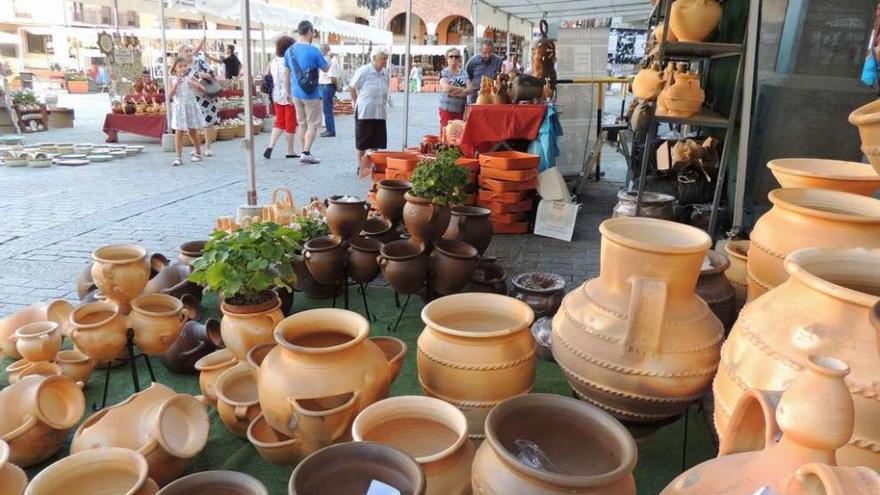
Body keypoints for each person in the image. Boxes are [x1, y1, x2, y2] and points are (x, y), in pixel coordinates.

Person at [285, 20, 329, 164]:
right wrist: (326, 56)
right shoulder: (314, 50)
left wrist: (287, 92)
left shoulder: (289, 51)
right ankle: (306, 152)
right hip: (312, 93)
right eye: (313, 31)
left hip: (296, 93)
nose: (313, 34)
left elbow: (287, 73)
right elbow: (326, 68)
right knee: (313, 124)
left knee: (302, 123)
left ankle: (304, 149)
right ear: (310, 31)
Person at [350, 48, 390, 167]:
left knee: (376, 140)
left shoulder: (385, 73)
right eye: (383, 58)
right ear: (374, 58)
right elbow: (352, 87)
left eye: (386, 59)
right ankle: (361, 166)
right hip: (365, 111)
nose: (385, 61)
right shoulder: (364, 70)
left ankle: (372, 164)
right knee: (362, 141)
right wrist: (355, 101)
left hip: (379, 111)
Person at [264, 36, 298, 160]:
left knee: (279, 122)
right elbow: (291, 79)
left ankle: (270, 145)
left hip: (276, 95)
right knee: (290, 123)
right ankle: (290, 150)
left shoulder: (272, 62)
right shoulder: (289, 62)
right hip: (289, 96)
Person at [182, 42, 219, 157]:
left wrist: (204, 74)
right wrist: (198, 75)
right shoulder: (181, 65)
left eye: (190, 50)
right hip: (191, 96)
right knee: (194, 122)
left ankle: (208, 147)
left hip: (206, 95)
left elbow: (212, 75)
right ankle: (197, 147)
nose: (189, 53)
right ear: (181, 53)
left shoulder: (200, 62)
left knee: (208, 121)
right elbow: (181, 79)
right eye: (186, 51)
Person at [167, 57, 204, 166]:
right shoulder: (172, 79)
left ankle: (198, 152)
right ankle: (178, 157)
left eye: (184, 66)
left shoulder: (191, 77)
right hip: (179, 107)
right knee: (179, 131)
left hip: (190, 106)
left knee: (192, 130)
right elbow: (170, 95)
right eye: (180, 66)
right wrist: (176, 84)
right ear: (175, 68)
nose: (183, 68)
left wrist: (195, 85)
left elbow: (202, 89)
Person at [438, 47, 470, 135]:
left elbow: (470, 89)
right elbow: (446, 88)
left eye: (456, 57)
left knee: (458, 134)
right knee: (446, 133)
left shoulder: (464, 73)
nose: (453, 59)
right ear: (447, 59)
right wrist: (463, 89)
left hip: (460, 110)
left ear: (459, 59)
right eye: (451, 56)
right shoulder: (444, 72)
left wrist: (453, 91)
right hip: (447, 109)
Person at [318, 43, 340, 138]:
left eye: (321, 50)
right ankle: (329, 129)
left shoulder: (331, 60)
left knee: (327, 109)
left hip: (327, 85)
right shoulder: (329, 58)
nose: (320, 52)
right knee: (327, 108)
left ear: (325, 50)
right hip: (327, 85)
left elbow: (332, 77)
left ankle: (330, 130)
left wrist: (337, 87)